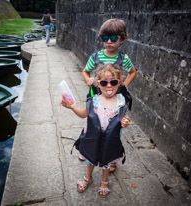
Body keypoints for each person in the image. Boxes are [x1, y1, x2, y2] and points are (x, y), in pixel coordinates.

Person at [61, 64, 130, 197]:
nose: (109, 86)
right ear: (98, 84)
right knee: (90, 159)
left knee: (106, 161)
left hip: (110, 140)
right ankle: (88, 177)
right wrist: (71, 107)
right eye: (104, 82)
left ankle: (104, 181)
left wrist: (125, 123)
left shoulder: (121, 101)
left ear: (119, 83)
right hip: (93, 138)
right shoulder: (94, 100)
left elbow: (123, 119)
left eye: (113, 82)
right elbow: (83, 114)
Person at [81, 18, 137, 172]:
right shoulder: (96, 56)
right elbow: (85, 71)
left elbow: (133, 72)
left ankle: (111, 157)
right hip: (97, 97)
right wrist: (88, 80)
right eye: (105, 38)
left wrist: (125, 84)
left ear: (122, 40)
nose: (109, 42)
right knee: (92, 123)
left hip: (116, 99)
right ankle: (87, 148)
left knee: (114, 127)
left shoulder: (123, 58)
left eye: (113, 38)